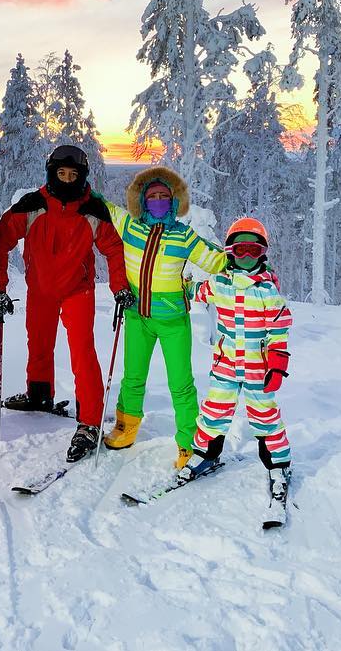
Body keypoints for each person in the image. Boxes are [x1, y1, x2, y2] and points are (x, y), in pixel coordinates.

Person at [0, 145, 136, 462]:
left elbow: (113, 249)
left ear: (83, 176)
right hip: (40, 288)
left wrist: (119, 286)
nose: (67, 180)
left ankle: (90, 420)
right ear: (51, 173)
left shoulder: (93, 210)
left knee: (82, 352)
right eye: (61, 174)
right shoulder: (32, 205)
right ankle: (39, 395)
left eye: (74, 175)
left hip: (77, 291)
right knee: (38, 342)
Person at [100, 167, 227, 468]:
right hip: (137, 318)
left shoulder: (183, 236)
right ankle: (126, 427)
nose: (158, 200)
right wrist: (79, 184)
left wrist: (249, 261)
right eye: (152, 196)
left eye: (164, 197)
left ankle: (188, 441)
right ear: (142, 201)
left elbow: (216, 259)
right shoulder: (129, 226)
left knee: (181, 383)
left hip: (173, 322)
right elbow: (101, 206)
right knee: (132, 378)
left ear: (174, 202)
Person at [179, 217, 293, 507]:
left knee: (264, 415)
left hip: (258, 367)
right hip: (226, 364)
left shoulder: (268, 292)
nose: (245, 257)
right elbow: (195, 292)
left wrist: (277, 363)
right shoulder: (219, 283)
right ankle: (206, 454)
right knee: (214, 410)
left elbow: (278, 329)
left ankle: (278, 464)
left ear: (262, 253)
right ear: (230, 252)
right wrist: (182, 284)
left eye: (253, 251)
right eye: (240, 250)